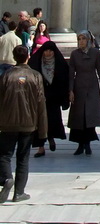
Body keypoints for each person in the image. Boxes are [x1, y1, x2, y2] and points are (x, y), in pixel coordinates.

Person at [0, 45, 47, 204]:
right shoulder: (35, 76)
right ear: (27, 57)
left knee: (4, 155)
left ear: (14, 58)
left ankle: (7, 178)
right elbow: (41, 104)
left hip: (7, 123)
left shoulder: (6, 76)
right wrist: (43, 130)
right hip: (29, 124)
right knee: (23, 157)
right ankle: (19, 192)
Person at [68, 30, 100, 155]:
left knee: (89, 115)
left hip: (92, 86)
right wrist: (71, 90)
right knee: (79, 117)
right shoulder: (74, 54)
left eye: (83, 39)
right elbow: (71, 73)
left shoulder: (95, 53)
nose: (81, 41)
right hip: (79, 86)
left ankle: (88, 143)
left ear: (89, 40)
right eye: (79, 39)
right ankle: (80, 144)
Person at [29, 41, 69, 157]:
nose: (48, 53)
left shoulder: (60, 63)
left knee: (52, 120)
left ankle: (51, 138)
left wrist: (65, 97)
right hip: (40, 97)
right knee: (39, 122)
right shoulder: (36, 62)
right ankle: (41, 147)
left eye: (51, 50)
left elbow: (64, 80)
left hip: (54, 98)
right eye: (46, 50)